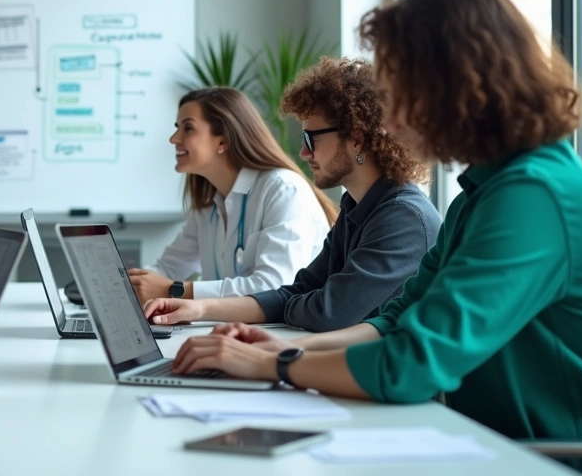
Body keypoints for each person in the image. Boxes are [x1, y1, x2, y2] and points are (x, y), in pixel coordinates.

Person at [170, 0, 582, 476]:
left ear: (454, 85)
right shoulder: (484, 193)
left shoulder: (534, 197)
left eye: (399, 95)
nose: (388, 123)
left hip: (564, 460)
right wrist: (286, 347)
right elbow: (395, 320)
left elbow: (411, 362)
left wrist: (273, 365)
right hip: (495, 446)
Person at [143, 57, 440, 332]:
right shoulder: (356, 208)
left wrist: (289, 303)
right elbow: (301, 290)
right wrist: (199, 308)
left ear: (357, 139)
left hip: (391, 384)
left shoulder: (404, 218)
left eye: (311, 138)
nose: (302, 152)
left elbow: (328, 312)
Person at [127, 87, 336, 302]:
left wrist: (175, 290)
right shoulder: (208, 206)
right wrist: (119, 284)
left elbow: (275, 287)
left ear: (223, 141)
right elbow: (167, 268)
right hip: (232, 330)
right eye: (177, 127)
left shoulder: (283, 190)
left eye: (188, 128)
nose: (174, 138)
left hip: (285, 333)